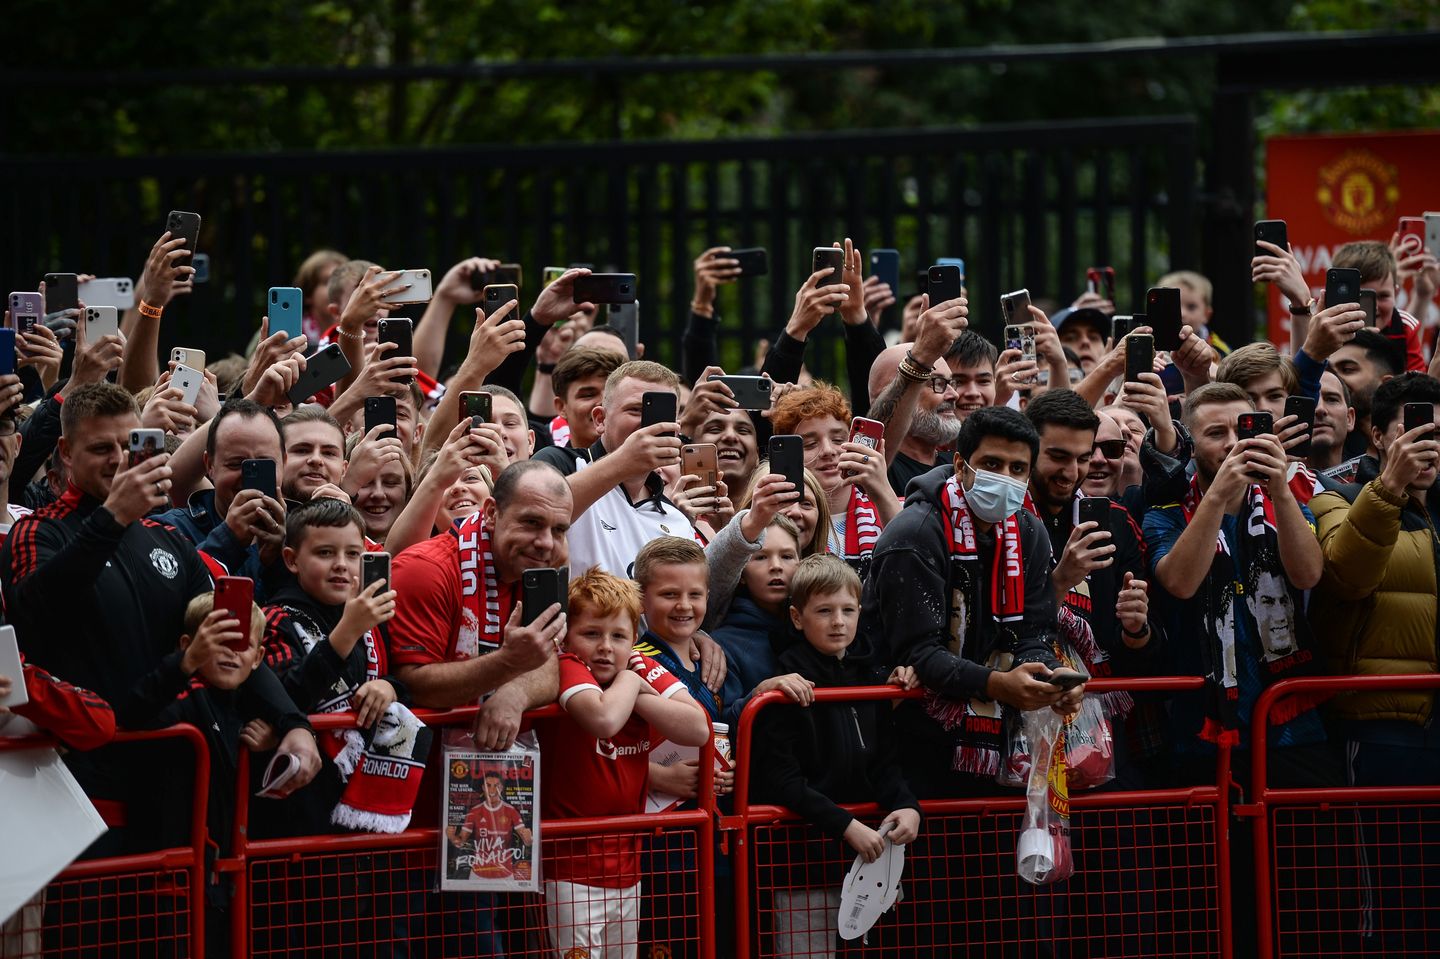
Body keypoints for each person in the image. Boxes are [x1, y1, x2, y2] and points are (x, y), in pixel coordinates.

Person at [861, 405, 1080, 797]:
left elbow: (1035, 630)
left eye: (1018, 469)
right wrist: (997, 684)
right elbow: (917, 654)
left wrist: (1051, 677)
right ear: (961, 465)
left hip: (999, 746)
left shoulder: (1028, 531)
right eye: (993, 463)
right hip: (912, 742)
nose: (1006, 479)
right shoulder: (914, 535)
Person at [1307, 371, 1440, 953]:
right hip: (1384, 724)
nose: (1428, 445)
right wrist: (1388, 489)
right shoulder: (1336, 491)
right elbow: (1346, 576)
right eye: (1413, 430)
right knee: (1390, 896)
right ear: (1379, 434)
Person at [1142, 383, 1328, 770]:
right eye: (1215, 433)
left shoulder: (1284, 503)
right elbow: (1180, 583)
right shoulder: (1165, 513)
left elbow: (1308, 574)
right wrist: (1216, 498)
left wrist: (1278, 485)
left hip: (1291, 726)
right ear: (1190, 447)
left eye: (1242, 430)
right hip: (1204, 733)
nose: (1232, 444)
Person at [749, 555, 921, 959]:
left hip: (868, 863)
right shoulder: (788, 681)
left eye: (847, 610)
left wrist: (908, 807)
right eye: (824, 611)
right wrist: (846, 825)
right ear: (796, 617)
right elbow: (783, 780)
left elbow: (884, 764)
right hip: (802, 864)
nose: (838, 622)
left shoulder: (870, 676)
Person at [537, 567, 709, 959]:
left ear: (633, 638)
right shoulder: (568, 665)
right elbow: (604, 719)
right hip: (570, 871)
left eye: (618, 636)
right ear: (568, 636)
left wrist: (640, 697)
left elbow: (697, 728)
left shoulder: (636, 661)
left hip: (628, 867)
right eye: (591, 634)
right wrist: (631, 686)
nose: (605, 647)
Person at [387, 460, 568, 741]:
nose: (545, 542)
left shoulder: (540, 572)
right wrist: (507, 663)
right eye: (532, 522)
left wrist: (517, 693)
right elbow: (411, 684)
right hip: (422, 770)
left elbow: (547, 660)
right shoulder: (423, 569)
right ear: (492, 513)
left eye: (558, 530)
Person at [259, 498, 404, 835]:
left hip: (368, 808)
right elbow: (285, 698)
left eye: (352, 554)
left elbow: (403, 680)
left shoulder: (372, 617)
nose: (341, 565)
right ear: (292, 560)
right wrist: (346, 633)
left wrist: (390, 687)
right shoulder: (275, 619)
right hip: (302, 813)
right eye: (325, 553)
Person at [539, 361, 693, 577]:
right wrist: (622, 463)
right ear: (600, 419)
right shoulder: (561, 464)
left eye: (661, 415)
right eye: (635, 410)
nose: (647, 425)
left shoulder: (676, 520)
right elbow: (534, 514)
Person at [769, 384, 896, 576]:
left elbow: (919, 566)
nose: (829, 451)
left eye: (838, 440)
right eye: (810, 444)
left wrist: (883, 489)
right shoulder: (769, 520)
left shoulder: (894, 507)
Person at [864, 296, 971, 496]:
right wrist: (920, 358)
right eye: (938, 383)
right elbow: (873, 447)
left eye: (952, 383)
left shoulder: (960, 467)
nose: (954, 394)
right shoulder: (872, 468)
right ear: (886, 393)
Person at [1327, 329, 1404, 468]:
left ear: (1386, 384)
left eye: (1347, 369)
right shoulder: (1325, 439)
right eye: (1330, 371)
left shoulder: (1412, 441)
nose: (1334, 379)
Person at [447, 769, 533, 882]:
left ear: (501, 788)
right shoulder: (474, 812)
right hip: (478, 874)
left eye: (496, 785)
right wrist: (452, 836)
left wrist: (529, 838)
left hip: (506, 874)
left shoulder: (511, 811)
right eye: (488, 785)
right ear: (483, 787)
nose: (492, 789)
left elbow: (527, 842)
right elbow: (460, 842)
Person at [539, 346, 625, 458]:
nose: (603, 403)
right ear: (561, 407)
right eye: (588, 395)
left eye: (611, 394)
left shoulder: (652, 465)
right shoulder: (549, 467)